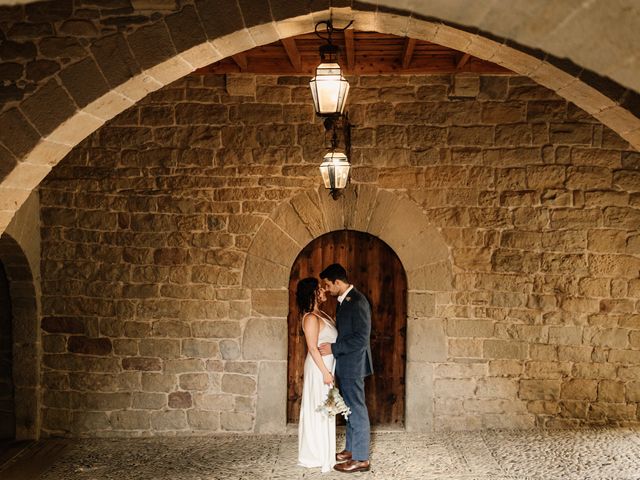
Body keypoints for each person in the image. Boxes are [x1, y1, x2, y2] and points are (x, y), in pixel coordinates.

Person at [318, 263, 373, 474]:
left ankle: (361, 459)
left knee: (356, 409)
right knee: (349, 409)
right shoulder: (344, 301)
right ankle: (351, 449)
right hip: (347, 364)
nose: (327, 289)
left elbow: (361, 339)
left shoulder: (357, 301)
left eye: (328, 285)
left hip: (354, 365)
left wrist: (333, 348)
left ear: (337, 282)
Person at [296, 276, 338, 473]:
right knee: (319, 408)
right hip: (318, 368)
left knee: (326, 409)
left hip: (328, 366)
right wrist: (325, 373)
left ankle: (325, 451)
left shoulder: (320, 314)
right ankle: (314, 453)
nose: (324, 292)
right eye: (320, 289)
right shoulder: (310, 318)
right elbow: (312, 348)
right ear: (312, 293)